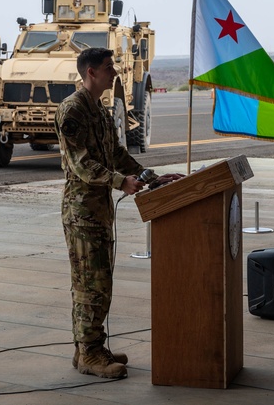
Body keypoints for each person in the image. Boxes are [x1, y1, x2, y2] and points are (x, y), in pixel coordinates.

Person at [55, 47, 180, 379]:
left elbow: (116, 152)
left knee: (100, 283)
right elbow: (81, 164)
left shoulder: (99, 110)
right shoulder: (73, 111)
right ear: (91, 72)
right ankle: (90, 354)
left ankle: (89, 348)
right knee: (89, 286)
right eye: (110, 68)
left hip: (99, 211)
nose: (116, 73)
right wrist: (119, 181)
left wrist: (151, 177)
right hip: (82, 212)